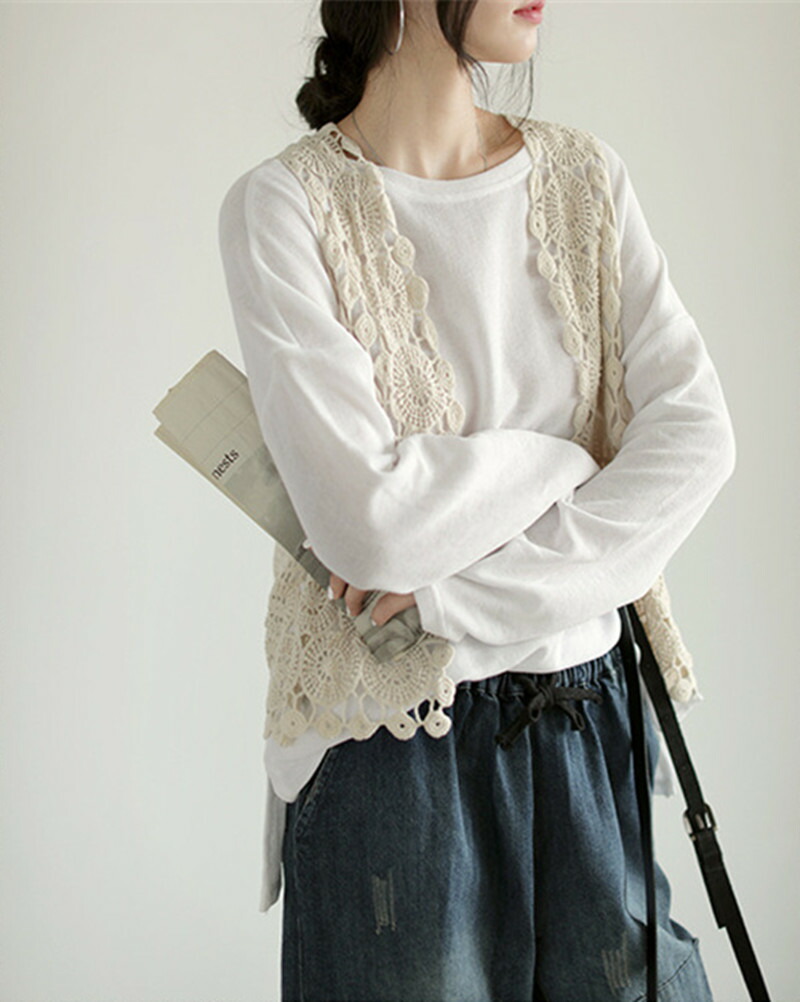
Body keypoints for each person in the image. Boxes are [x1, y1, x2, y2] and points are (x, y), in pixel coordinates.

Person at [217, 1, 735, 999]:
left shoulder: (585, 179)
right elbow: (370, 528)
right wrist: (569, 463)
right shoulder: (284, 207)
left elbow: (698, 439)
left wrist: (453, 599)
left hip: (590, 714)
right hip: (391, 747)